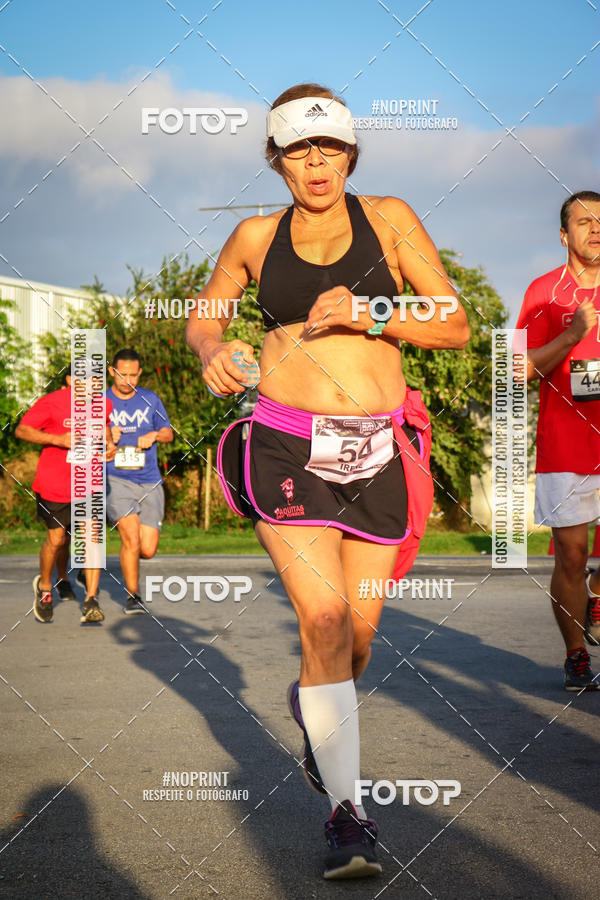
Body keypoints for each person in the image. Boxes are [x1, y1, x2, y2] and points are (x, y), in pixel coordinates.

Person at [186, 83, 469, 879]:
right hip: (284, 446)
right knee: (322, 619)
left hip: (376, 452)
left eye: (332, 147)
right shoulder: (252, 236)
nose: (318, 163)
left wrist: (370, 314)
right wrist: (213, 352)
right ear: (277, 158)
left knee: (357, 638)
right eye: (301, 149)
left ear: (351, 152)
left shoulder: (391, 218)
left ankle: (318, 708)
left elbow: (453, 323)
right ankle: (349, 816)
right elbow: (204, 316)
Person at [517, 190, 600, 692]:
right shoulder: (542, 291)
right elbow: (514, 372)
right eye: (584, 221)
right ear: (564, 234)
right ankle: (575, 656)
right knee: (570, 556)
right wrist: (571, 336)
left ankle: (594, 593)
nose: (596, 228)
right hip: (566, 447)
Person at [15, 367, 115, 624]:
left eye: (96, 379)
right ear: (71, 380)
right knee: (57, 540)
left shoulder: (103, 404)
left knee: (92, 539)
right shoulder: (52, 402)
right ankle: (45, 586)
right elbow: (22, 431)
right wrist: (58, 440)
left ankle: (91, 600)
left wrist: (110, 446)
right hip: (55, 485)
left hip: (89, 484)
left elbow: (106, 431)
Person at [106, 349, 173, 614]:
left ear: (140, 373)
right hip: (116, 478)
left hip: (149, 480)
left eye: (133, 375)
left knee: (147, 549)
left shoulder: (150, 399)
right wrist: (106, 434)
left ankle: (125, 566)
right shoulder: (100, 402)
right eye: (123, 374)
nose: (128, 379)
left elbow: (169, 433)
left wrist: (155, 434)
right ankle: (133, 596)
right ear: (112, 371)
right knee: (130, 540)